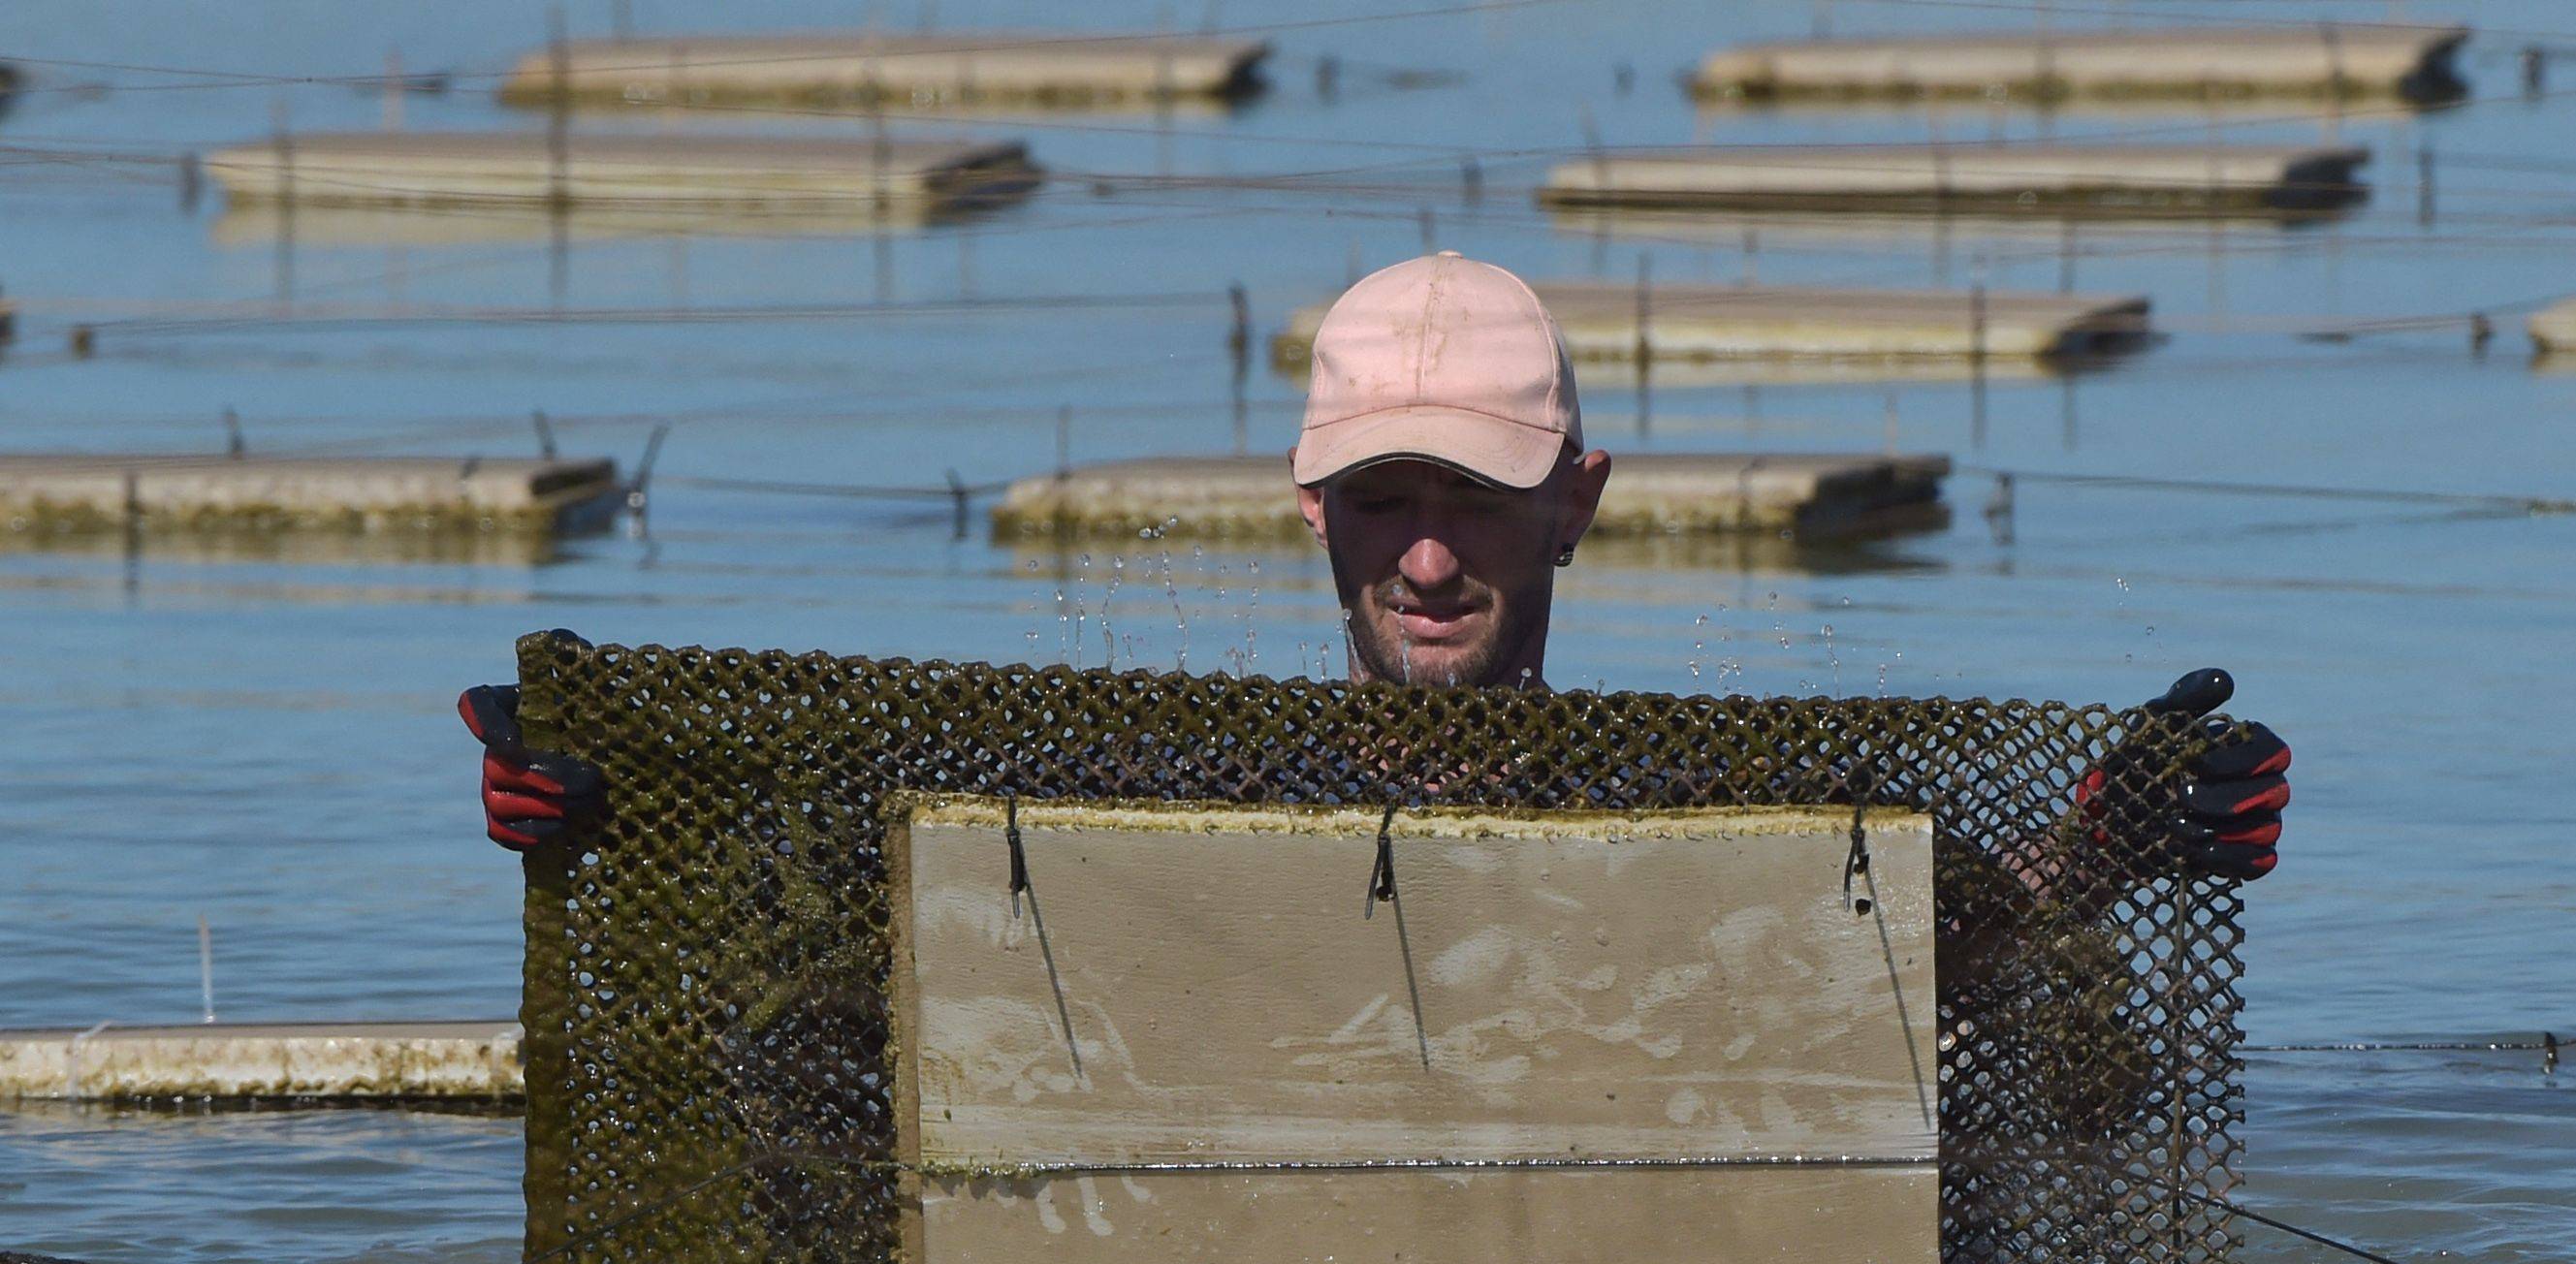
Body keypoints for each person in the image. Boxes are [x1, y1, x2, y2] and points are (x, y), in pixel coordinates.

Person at [462, 252, 2287, 877]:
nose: (1424, 558)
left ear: (1578, 498)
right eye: (1377, 501)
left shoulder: (1696, 808)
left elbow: (1976, 952)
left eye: (1476, 502)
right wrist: (613, 817)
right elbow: (830, 916)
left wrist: (2129, 840)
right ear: (1307, 501)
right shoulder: (1153, 802)